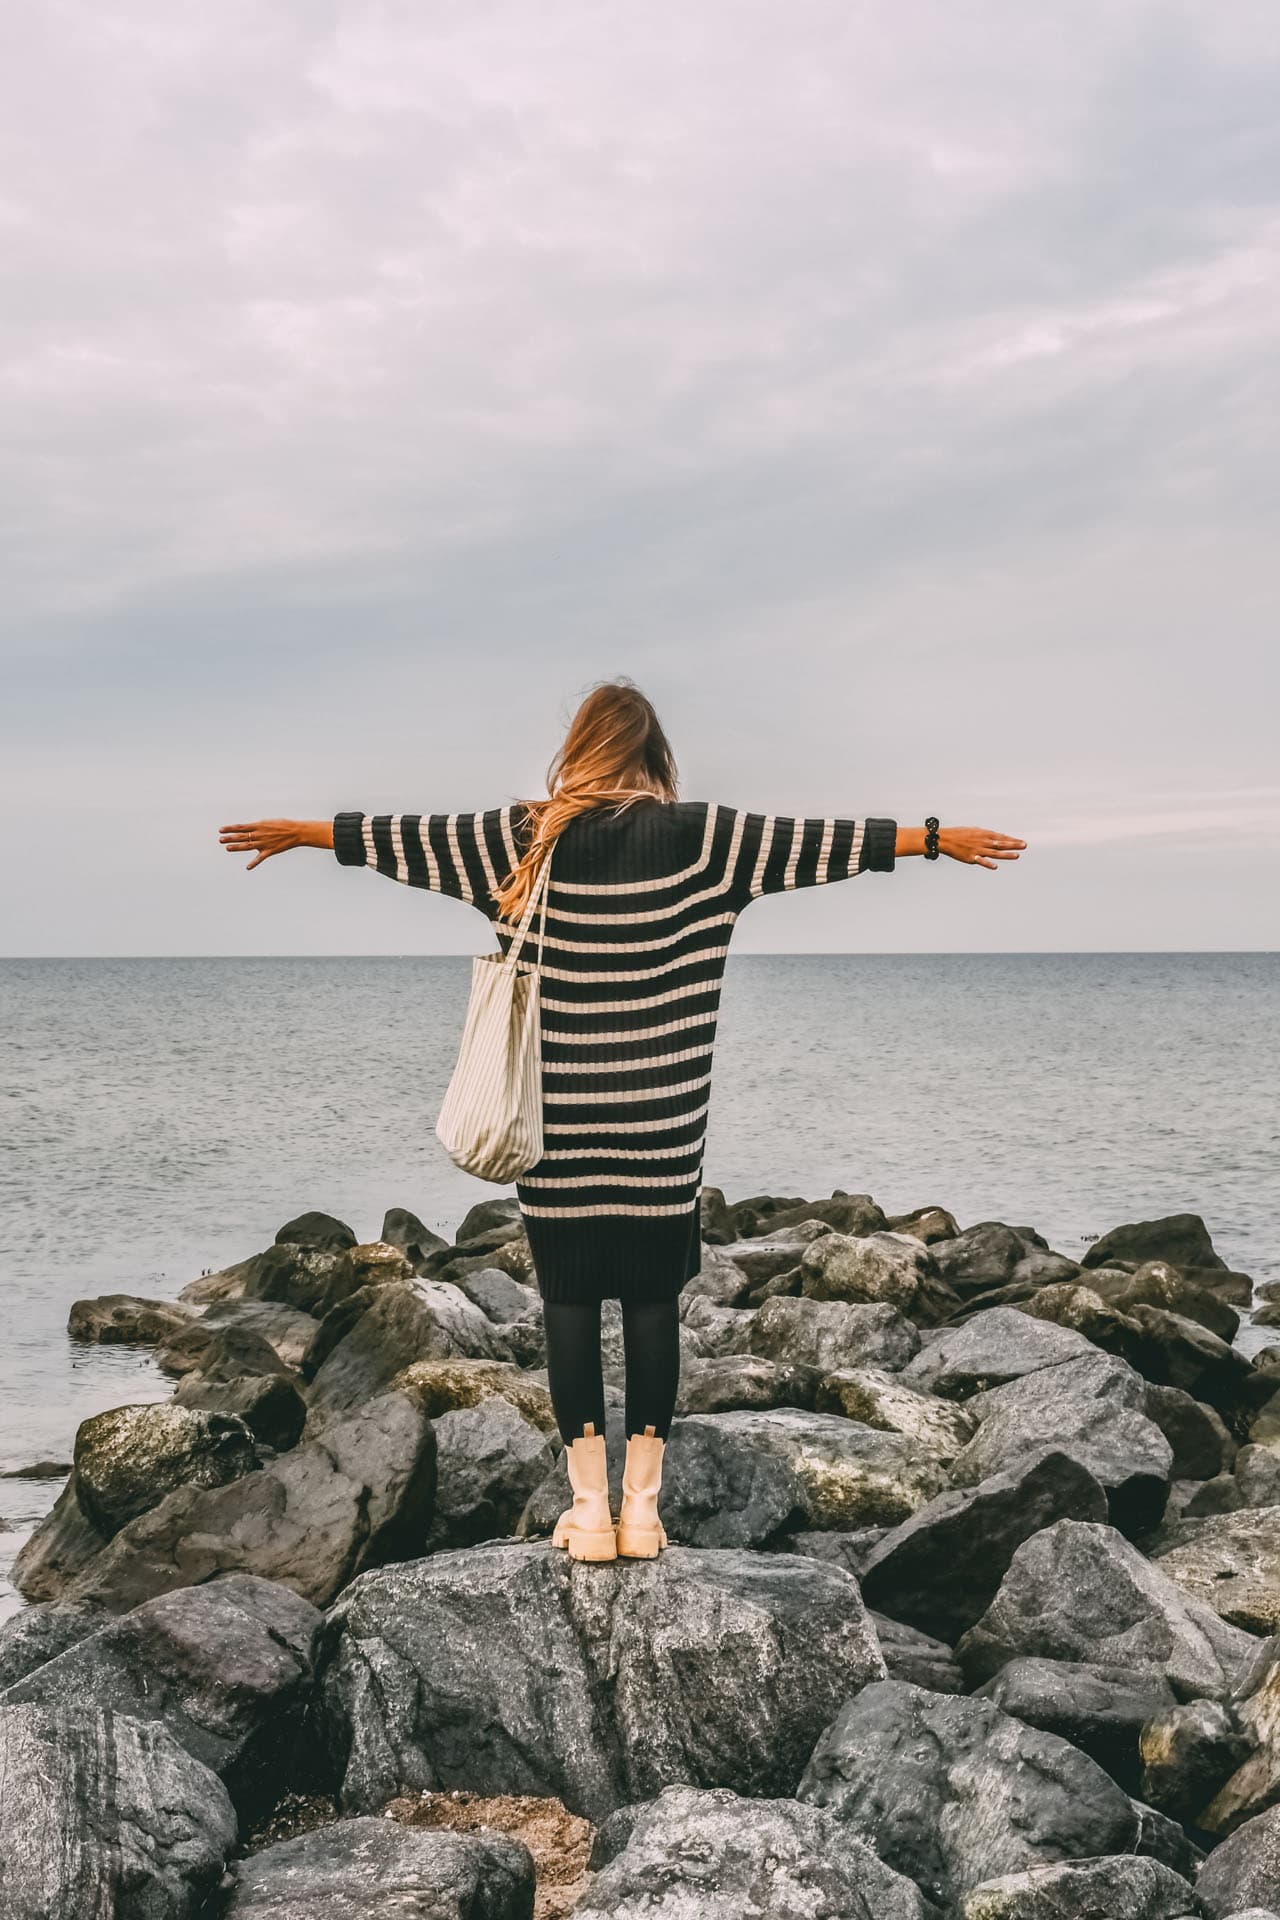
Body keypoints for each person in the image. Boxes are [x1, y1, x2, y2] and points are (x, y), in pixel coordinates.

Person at [220, 678, 1025, 1563]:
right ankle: (644, 1515)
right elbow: (824, 844)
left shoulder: (523, 838)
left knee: (567, 1304)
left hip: (557, 1120)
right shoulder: (703, 840)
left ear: (581, 746)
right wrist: (939, 840)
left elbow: (403, 839)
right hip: (661, 1124)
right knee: (649, 1303)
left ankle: (589, 1515)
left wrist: (303, 833)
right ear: (656, 757)